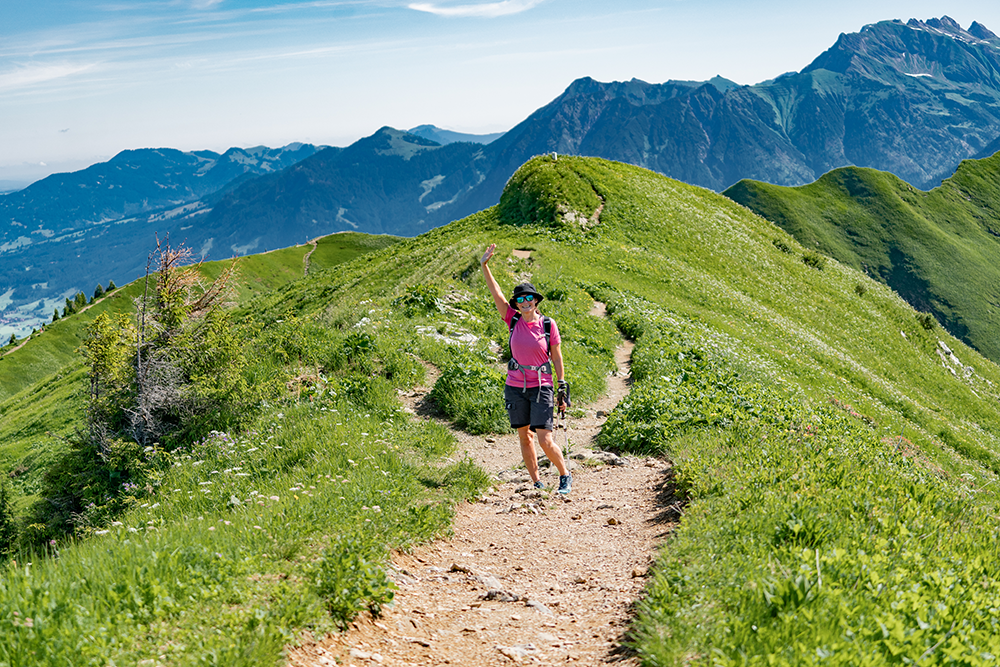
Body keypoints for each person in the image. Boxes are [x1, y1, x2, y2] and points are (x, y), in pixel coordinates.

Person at [480, 243, 573, 494]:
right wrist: (484, 266)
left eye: (528, 298)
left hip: (542, 385)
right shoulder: (511, 319)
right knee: (525, 436)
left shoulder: (547, 325)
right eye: (520, 299)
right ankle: (536, 482)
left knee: (544, 437)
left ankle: (564, 475)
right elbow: (496, 292)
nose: (524, 302)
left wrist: (562, 385)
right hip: (515, 385)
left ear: (536, 300)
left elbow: (557, 356)